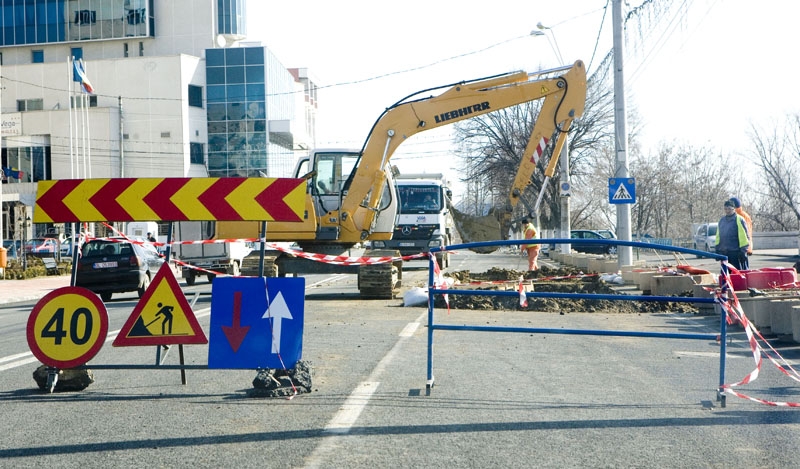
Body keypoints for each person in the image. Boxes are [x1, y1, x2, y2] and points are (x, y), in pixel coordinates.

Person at [715, 199, 750, 270]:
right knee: (725, 274)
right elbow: (718, 236)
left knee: (737, 273)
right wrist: (717, 250)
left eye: (729, 209)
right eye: (725, 209)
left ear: (734, 209)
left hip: (736, 253)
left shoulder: (739, 219)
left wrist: (743, 252)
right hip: (724, 253)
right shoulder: (722, 221)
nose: (727, 211)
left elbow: (745, 237)